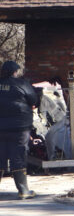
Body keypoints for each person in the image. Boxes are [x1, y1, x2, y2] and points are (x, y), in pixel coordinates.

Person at [0, 61, 40, 199]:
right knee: (18, 155)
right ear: (14, 72)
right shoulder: (22, 84)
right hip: (19, 127)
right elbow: (33, 100)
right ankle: (23, 191)